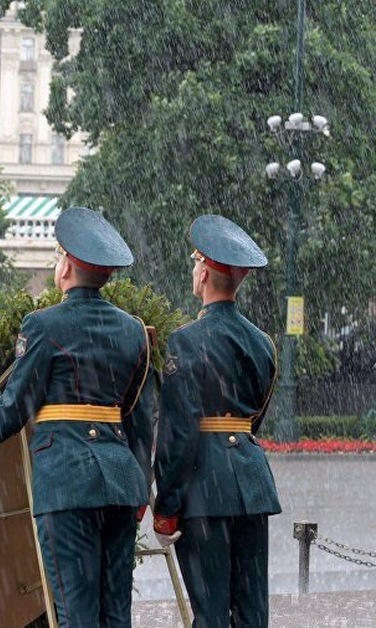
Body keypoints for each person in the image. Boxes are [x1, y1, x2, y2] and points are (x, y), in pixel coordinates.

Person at [0, 207, 152, 627]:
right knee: (114, 613)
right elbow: (140, 414)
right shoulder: (133, 330)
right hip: (121, 480)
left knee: (74, 612)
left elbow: (17, 404)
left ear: (66, 266)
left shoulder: (42, 324)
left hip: (68, 478)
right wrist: (141, 482)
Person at [153, 215, 282, 628]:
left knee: (210, 615)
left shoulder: (185, 341)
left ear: (204, 271)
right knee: (252, 614)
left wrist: (166, 506)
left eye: (195, 264)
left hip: (205, 491)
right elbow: (255, 414)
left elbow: (178, 431)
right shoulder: (262, 342)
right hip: (252, 484)